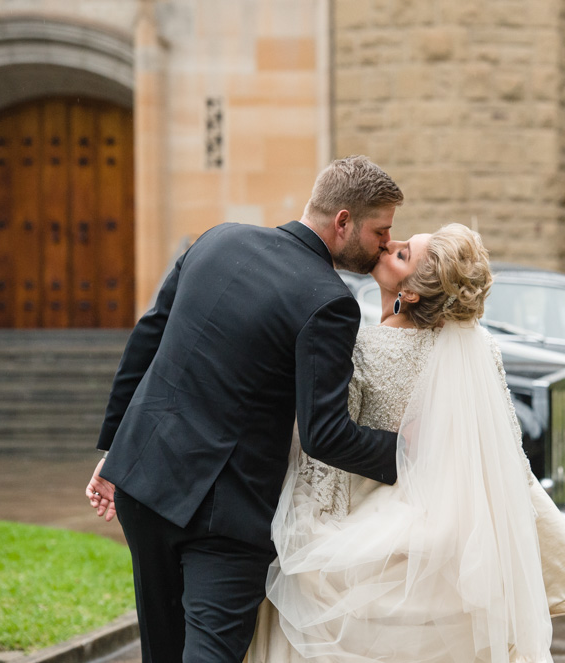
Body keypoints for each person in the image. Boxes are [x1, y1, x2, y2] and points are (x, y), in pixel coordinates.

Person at [85, 156, 405, 663]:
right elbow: (326, 435)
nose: (386, 244)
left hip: (144, 486)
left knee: (161, 653)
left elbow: (147, 338)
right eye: (381, 231)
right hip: (223, 515)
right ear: (343, 221)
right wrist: (407, 454)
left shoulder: (216, 239)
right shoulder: (329, 300)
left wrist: (115, 451)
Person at [245, 224, 565, 663]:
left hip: (371, 533)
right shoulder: (480, 348)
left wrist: (310, 535)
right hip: (450, 539)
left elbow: (327, 460)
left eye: (401, 255)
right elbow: (506, 457)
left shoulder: (359, 347)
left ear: (410, 293)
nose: (390, 246)